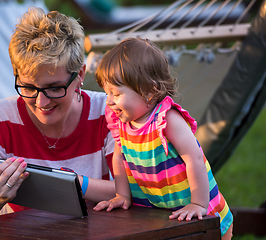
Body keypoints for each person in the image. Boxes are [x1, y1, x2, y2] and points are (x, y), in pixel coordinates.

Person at [0, 7, 116, 223]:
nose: (42, 102)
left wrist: (73, 184)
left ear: (79, 75)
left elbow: (141, 192)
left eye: (54, 87)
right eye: (28, 87)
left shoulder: (110, 112)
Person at [93, 38, 233, 239]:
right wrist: (122, 195)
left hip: (201, 212)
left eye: (115, 93)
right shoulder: (121, 121)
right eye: (107, 93)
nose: (109, 101)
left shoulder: (167, 119)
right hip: (162, 213)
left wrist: (198, 204)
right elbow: (119, 159)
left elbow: (194, 158)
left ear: (149, 91)